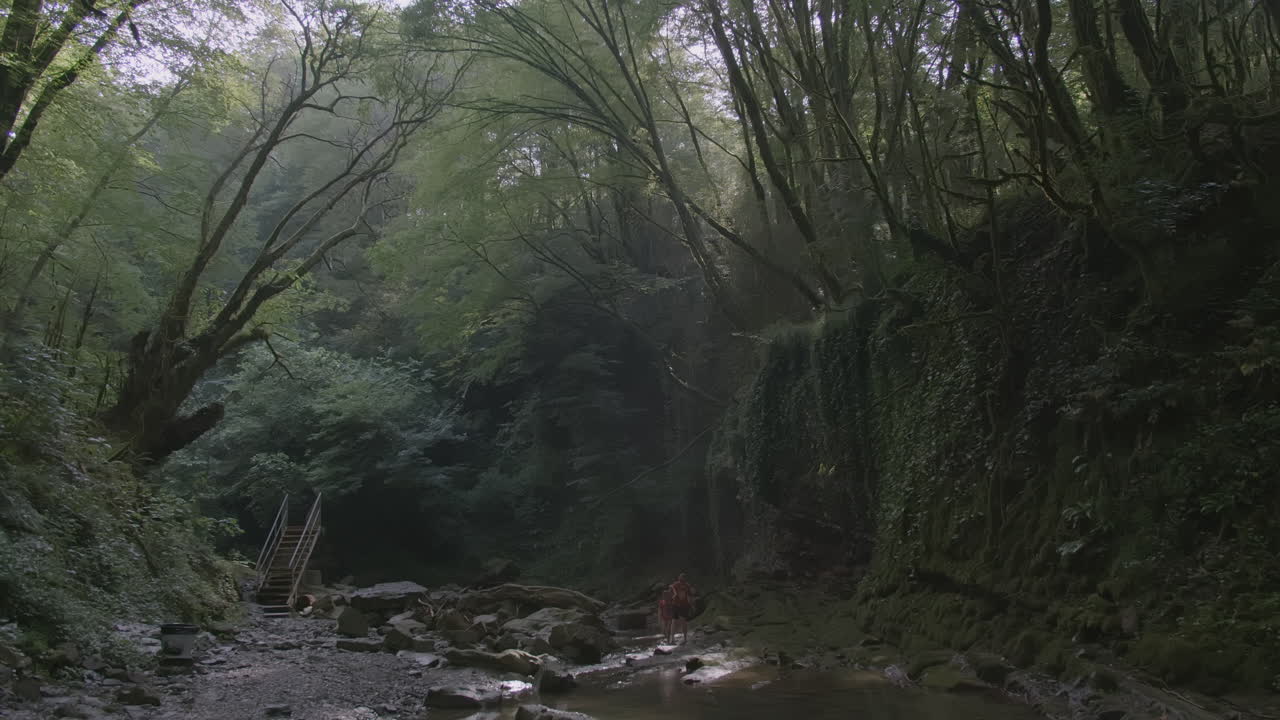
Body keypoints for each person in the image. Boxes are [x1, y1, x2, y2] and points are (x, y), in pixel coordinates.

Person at [668, 573, 696, 644]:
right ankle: (678, 639)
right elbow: (690, 596)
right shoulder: (683, 585)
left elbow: (690, 596)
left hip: (681, 605)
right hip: (678, 605)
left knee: (678, 621)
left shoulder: (682, 585)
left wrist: (692, 605)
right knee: (678, 621)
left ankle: (677, 639)